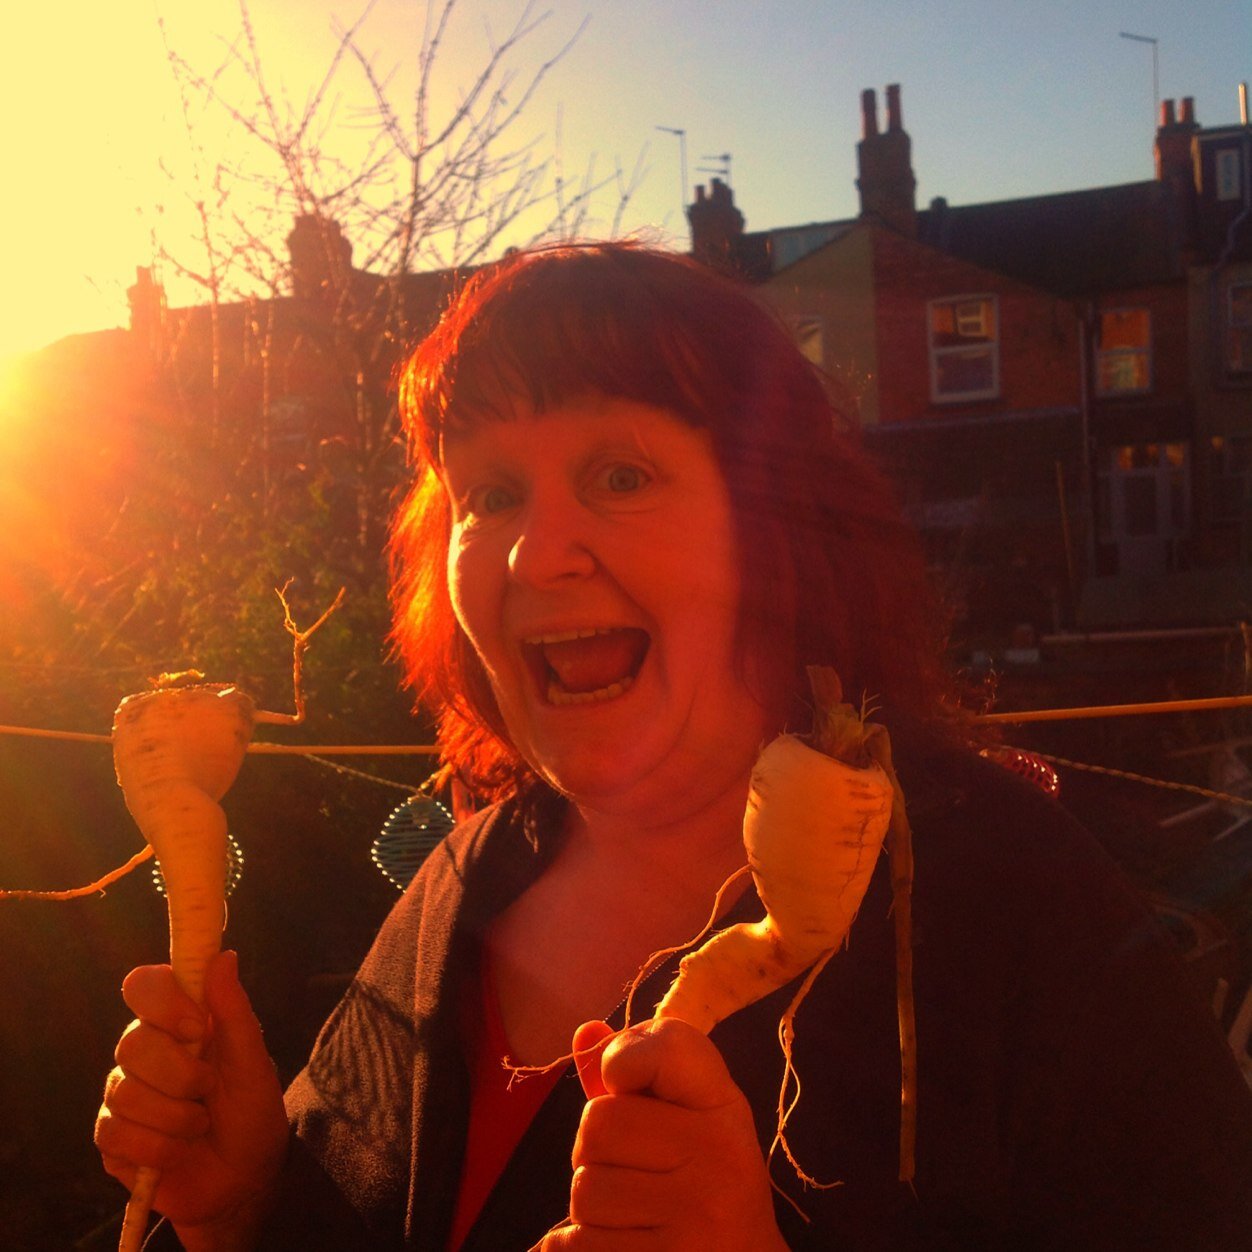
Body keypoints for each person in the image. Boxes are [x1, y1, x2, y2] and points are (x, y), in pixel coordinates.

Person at [95, 242, 1252, 1251]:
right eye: (489, 492)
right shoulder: (465, 879)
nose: (535, 552)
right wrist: (243, 1206)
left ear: (776, 527)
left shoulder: (1020, 913)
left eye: (620, 474)